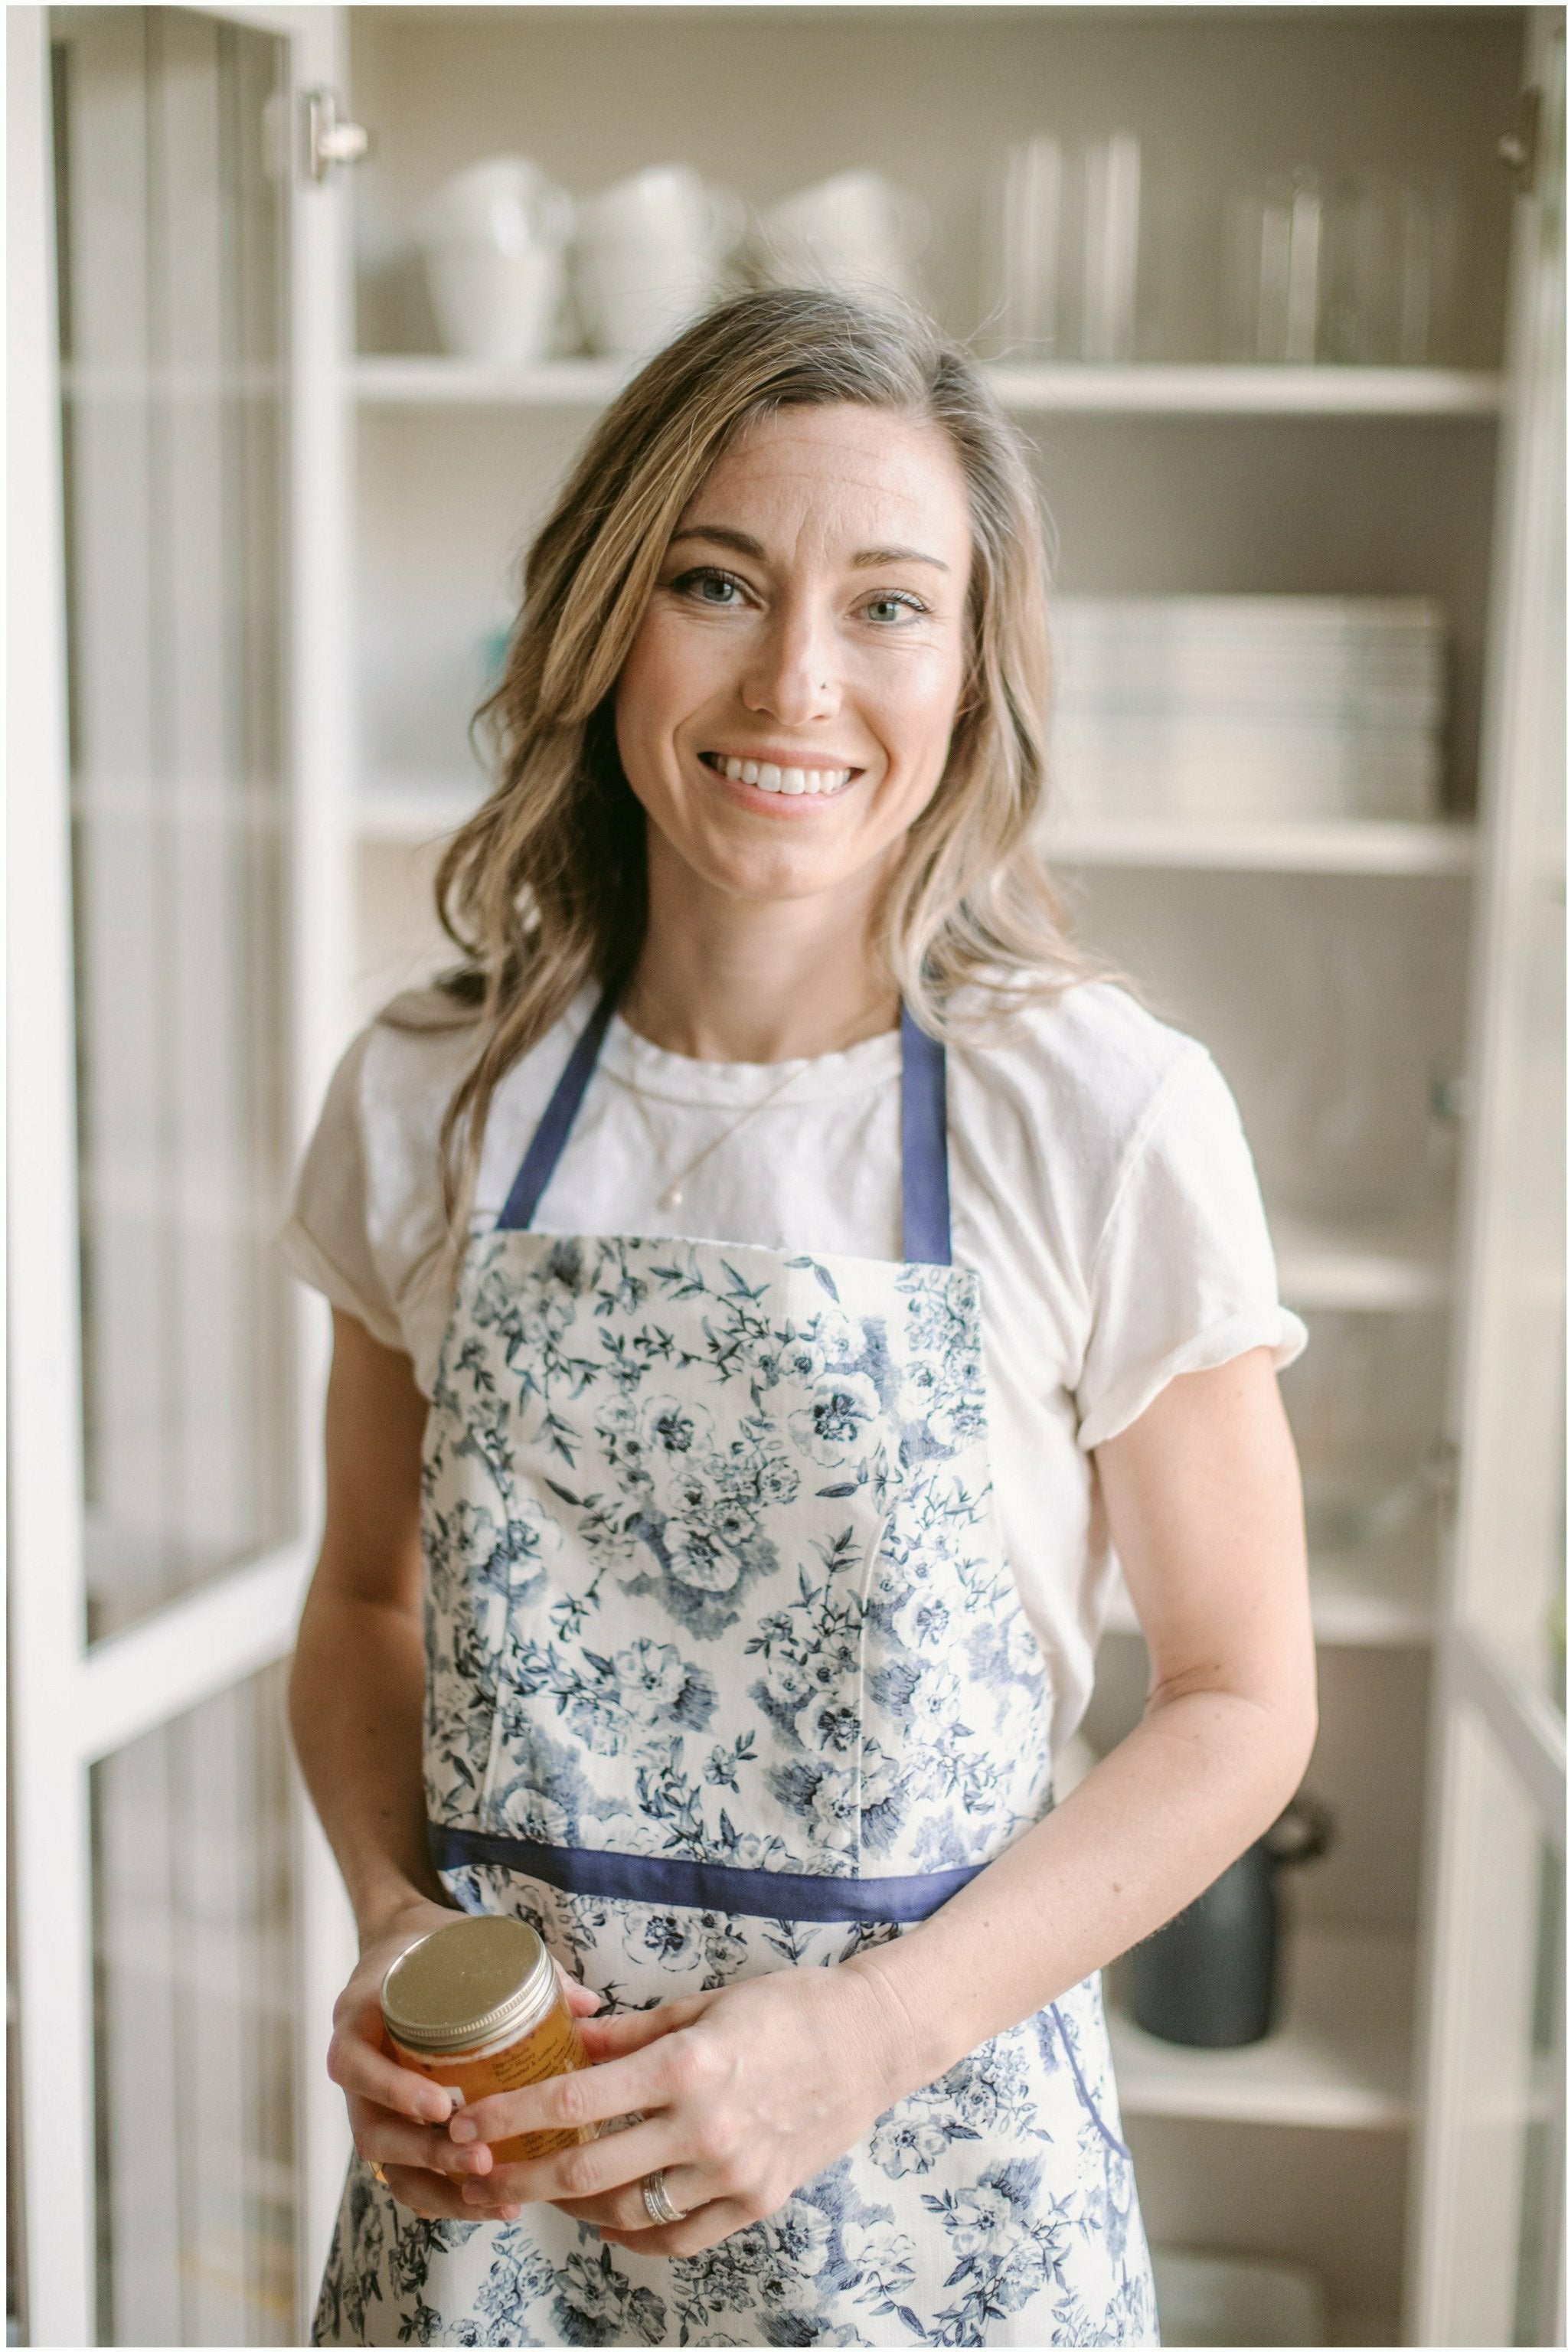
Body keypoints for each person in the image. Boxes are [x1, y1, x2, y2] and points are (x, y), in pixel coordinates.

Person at [285, 289, 1314, 2348]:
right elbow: (366, 1607)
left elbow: (1238, 1704)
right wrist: (401, 1934)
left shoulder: (1097, 1114)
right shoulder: (428, 1094)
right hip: (498, 2216)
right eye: (717, 579)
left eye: (889, 607)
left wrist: (864, 2038)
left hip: (935, 2211)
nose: (795, 682)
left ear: (972, 668)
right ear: (606, 618)